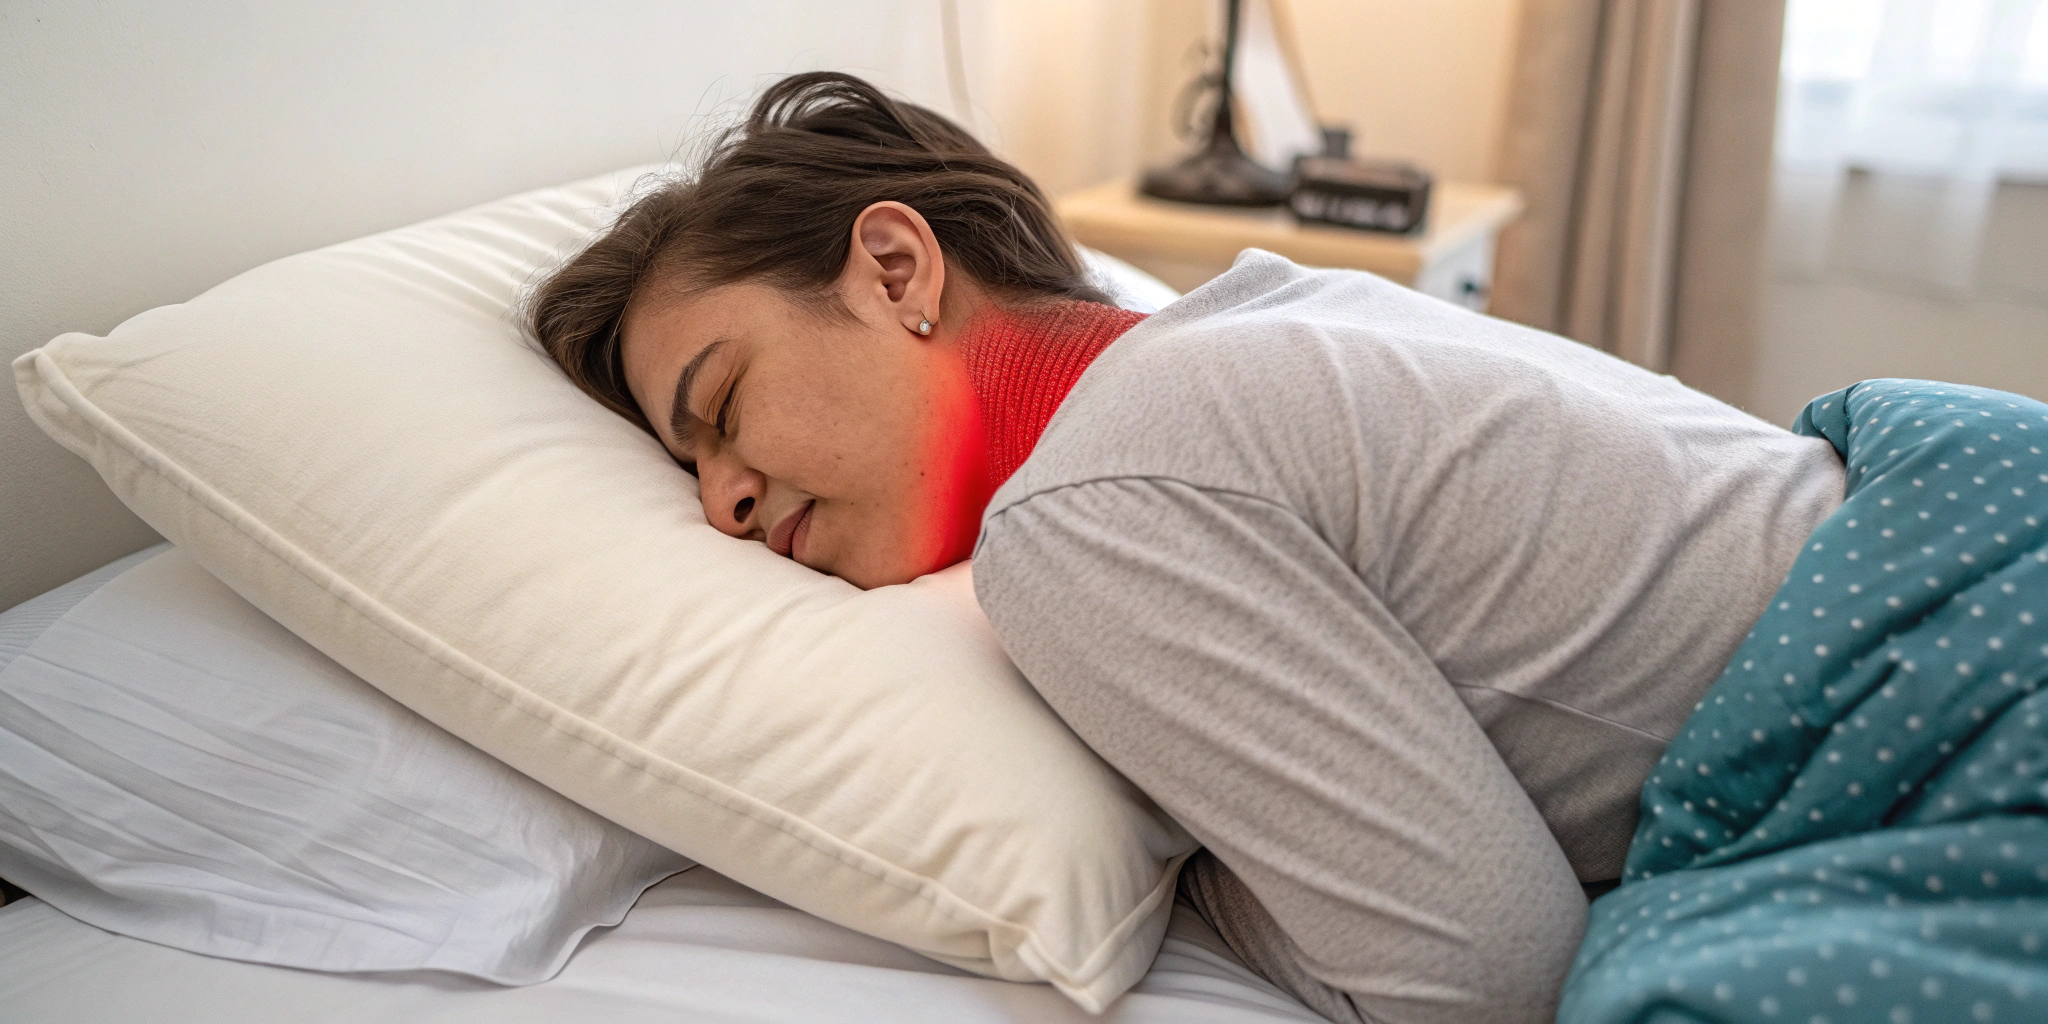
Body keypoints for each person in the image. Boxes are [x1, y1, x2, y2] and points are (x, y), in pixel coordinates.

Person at [527, 72, 1846, 1024]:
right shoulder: (1285, 311)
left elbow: (1477, 984)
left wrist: (1200, 878)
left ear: (893, 268)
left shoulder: (1082, 510)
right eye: (692, 473)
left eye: (723, 407)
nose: (723, 505)